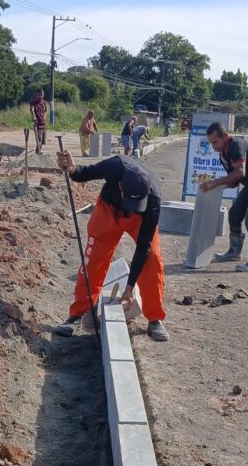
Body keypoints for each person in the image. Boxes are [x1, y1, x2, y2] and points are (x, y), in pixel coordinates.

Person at [54, 149, 169, 342]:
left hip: (140, 219)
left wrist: (129, 287)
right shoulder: (115, 166)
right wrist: (72, 168)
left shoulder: (153, 200)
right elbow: (83, 173)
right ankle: (76, 314)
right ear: (120, 186)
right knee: (93, 260)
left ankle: (155, 318)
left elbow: (143, 248)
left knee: (153, 259)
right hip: (109, 210)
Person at [200, 122, 248, 272]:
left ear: (225, 136)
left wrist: (215, 182)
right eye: (211, 143)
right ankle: (234, 252)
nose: (213, 147)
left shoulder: (236, 144)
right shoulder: (223, 156)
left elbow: (240, 172)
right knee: (234, 214)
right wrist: (215, 186)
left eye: (215, 142)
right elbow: (234, 181)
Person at [29, 88, 47, 154]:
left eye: (41, 94)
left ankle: (39, 152)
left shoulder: (44, 102)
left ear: (43, 95)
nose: (40, 96)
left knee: (42, 141)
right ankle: (37, 153)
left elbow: (45, 111)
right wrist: (33, 116)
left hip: (43, 124)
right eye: (39, 95)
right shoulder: (33, 102)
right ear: (36, 95)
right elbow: (31, 109)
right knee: (39, 140)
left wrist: (45, 117)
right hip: (37, 124)